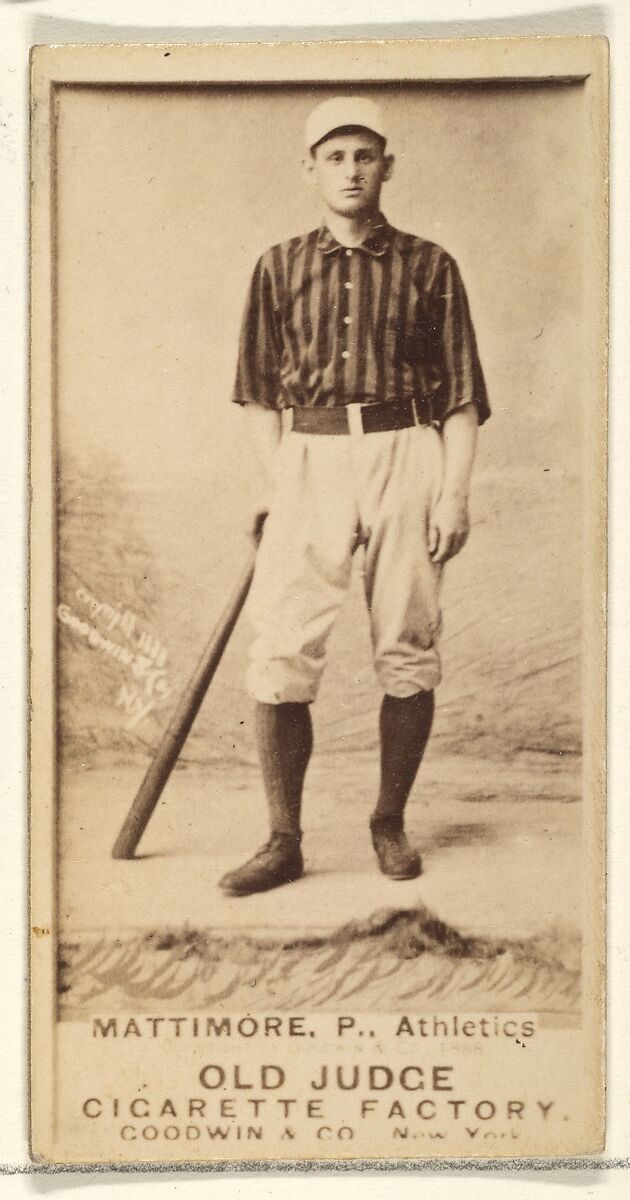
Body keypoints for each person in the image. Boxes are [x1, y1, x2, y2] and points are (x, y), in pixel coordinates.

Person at [219, 96, 490, 897]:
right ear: (310, 170)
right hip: (309, 455)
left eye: (365, 156)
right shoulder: (277, 266)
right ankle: (283, 840)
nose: (350, 171)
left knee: (407, 640)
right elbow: (259, 394)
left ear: (387, 167)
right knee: (282, 651)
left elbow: (462, 397)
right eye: (334, 157)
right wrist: (277, 484)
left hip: (408, 450)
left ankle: (389, 821)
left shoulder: (431, 265)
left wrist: (453, 494)